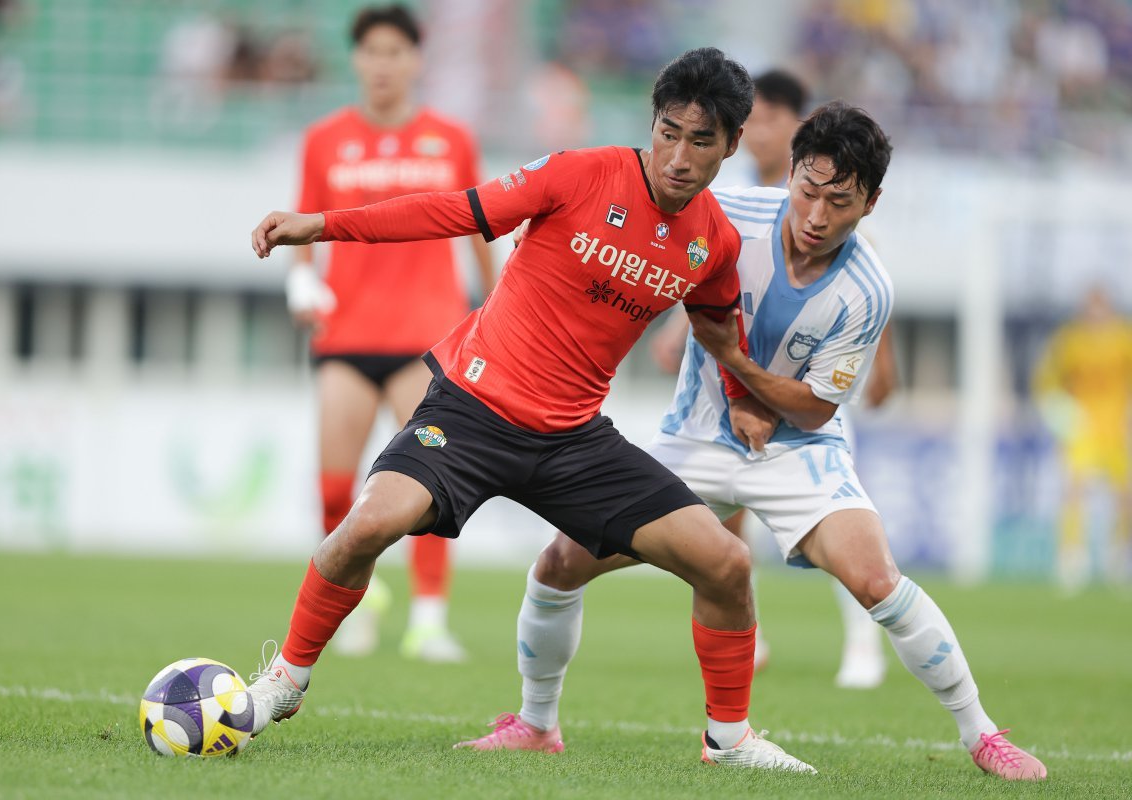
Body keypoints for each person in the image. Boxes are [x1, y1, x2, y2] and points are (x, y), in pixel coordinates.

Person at [246, 47, 815, 773]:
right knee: (366, 526)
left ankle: (728, 740)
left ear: (733, 144)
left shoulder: (713, 241)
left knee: (728, 564)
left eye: (701, 141)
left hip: (575, 440)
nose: (678, 156)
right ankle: (285, 683)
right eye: (668, 132)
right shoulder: (578, 174)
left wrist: (743, 399)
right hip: (474, 408)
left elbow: (717, 328)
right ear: (652, 124)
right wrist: (321, 225)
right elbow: (454, 210)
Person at [459, 102, 1047, 782]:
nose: (817, 215)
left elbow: (819, 409)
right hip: (694, 441)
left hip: (798, 452)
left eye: (840, 201)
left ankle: (981, 734)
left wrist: (738, 368)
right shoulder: (729, 211)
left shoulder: (867, 290)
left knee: (878, 580)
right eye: (808, 190)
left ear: (871, 203)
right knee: (561, 563)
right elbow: (648, 239)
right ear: (791, 174)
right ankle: (536, 724)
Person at [651, 68, 896, 687]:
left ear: (794, 128)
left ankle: (863, 645)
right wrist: (681, 335)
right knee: (723, 527)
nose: (755, 132)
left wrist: (883, 364)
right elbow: (713, 278)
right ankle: (746, 634)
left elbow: (860, 293)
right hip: (725, 404)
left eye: (766, 120)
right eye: (749, 121)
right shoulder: (732, 198)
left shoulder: (837, 198)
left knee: (848, 532)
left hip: (810, 400)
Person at [285, 4, 496, 662]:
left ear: (416, 60)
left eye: (395, 52)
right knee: (333, 487)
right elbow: (305, 227)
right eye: (371, 51)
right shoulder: (323, 139)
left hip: (424, 336)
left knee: (430, 482)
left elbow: (480, 226)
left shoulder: (451, 138)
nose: (382, 64)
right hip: (345, 334)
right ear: (356, 59)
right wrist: (300, 281)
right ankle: (356, 602)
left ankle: (429, 620)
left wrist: (495, 304)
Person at [1034, 287, 1132, 590]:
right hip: (1083, 430)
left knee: (1124, 495)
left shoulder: (1124, 340)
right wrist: (1062, 413)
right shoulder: (1071, 341)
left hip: (1117, 430)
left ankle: (1119, 556)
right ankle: (1072, 557)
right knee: (1074, 490)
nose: (1095, 316)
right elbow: (1046, 381)